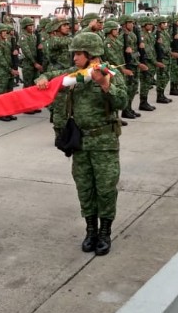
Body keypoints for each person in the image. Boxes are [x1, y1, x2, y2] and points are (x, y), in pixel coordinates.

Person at [36, 32, 127, 256]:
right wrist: (42, 78)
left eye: (78, 54)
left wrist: (105, 85)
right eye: (74, 53)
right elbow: (51, 75)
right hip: (81, 143)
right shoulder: (73, 75)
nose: (74, 58)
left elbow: (122, 100)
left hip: (104, 142)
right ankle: (90, 230)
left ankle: (105, 232)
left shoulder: (110, 72)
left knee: (105, 189)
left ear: (91, 54)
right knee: (85, 188)